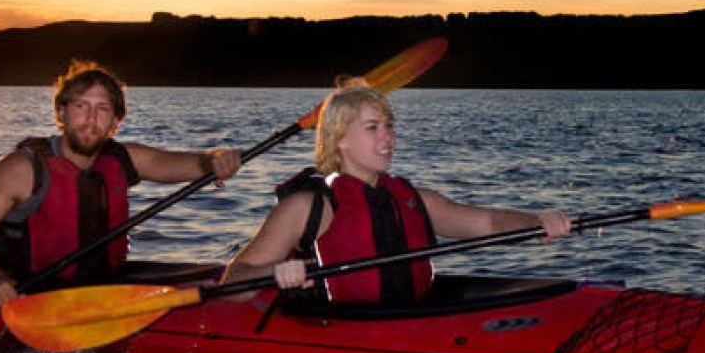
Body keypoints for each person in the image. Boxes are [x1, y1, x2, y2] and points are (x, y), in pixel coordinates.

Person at [221, 79, 572, 304]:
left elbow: (489, 222)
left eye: (389, 127)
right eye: (373, 128)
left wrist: (535, 221)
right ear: (340, 139)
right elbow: (233, 281)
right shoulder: (308, 206)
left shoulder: (416, 199)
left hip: (411, 321)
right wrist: (276, 271)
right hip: (339, 335)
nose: (388, 138)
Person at [0, 59, 242, 311]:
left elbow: (189, 164)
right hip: (28, 293)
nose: (91, 119)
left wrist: (215, 159)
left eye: (102, 109)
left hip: (102, 288)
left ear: (115, 121)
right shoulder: (22, 169)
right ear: (61, 113)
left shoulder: (122, 158)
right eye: (81, 106)